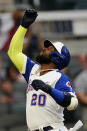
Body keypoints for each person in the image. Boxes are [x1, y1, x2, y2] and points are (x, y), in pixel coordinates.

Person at [8, 9, 78, 131]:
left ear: (57, 57)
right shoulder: (32, 70)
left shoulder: (59, 77)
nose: (45, 48)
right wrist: (23, 26)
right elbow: (13, 52)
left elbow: (73, 103)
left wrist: (49, 90)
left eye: (50, 48)